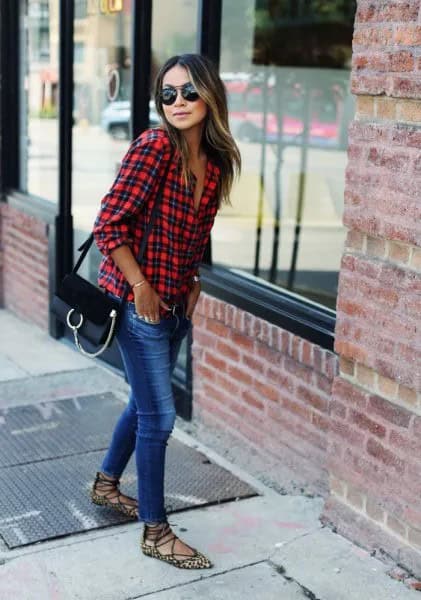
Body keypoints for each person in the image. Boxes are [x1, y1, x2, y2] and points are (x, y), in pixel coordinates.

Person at [90, 53, 241, 569]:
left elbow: (197, 231)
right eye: (168, 93)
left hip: (176, 302)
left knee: (143, 404)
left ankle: (107, 485)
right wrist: (140, 286)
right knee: (159, 415)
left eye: (189, 92)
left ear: (210, 97)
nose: (177, 102)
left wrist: (193, 277)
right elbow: (109, 225)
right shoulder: (154, 147)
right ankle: (155, 531)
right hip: (139, 304)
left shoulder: (215, 164)